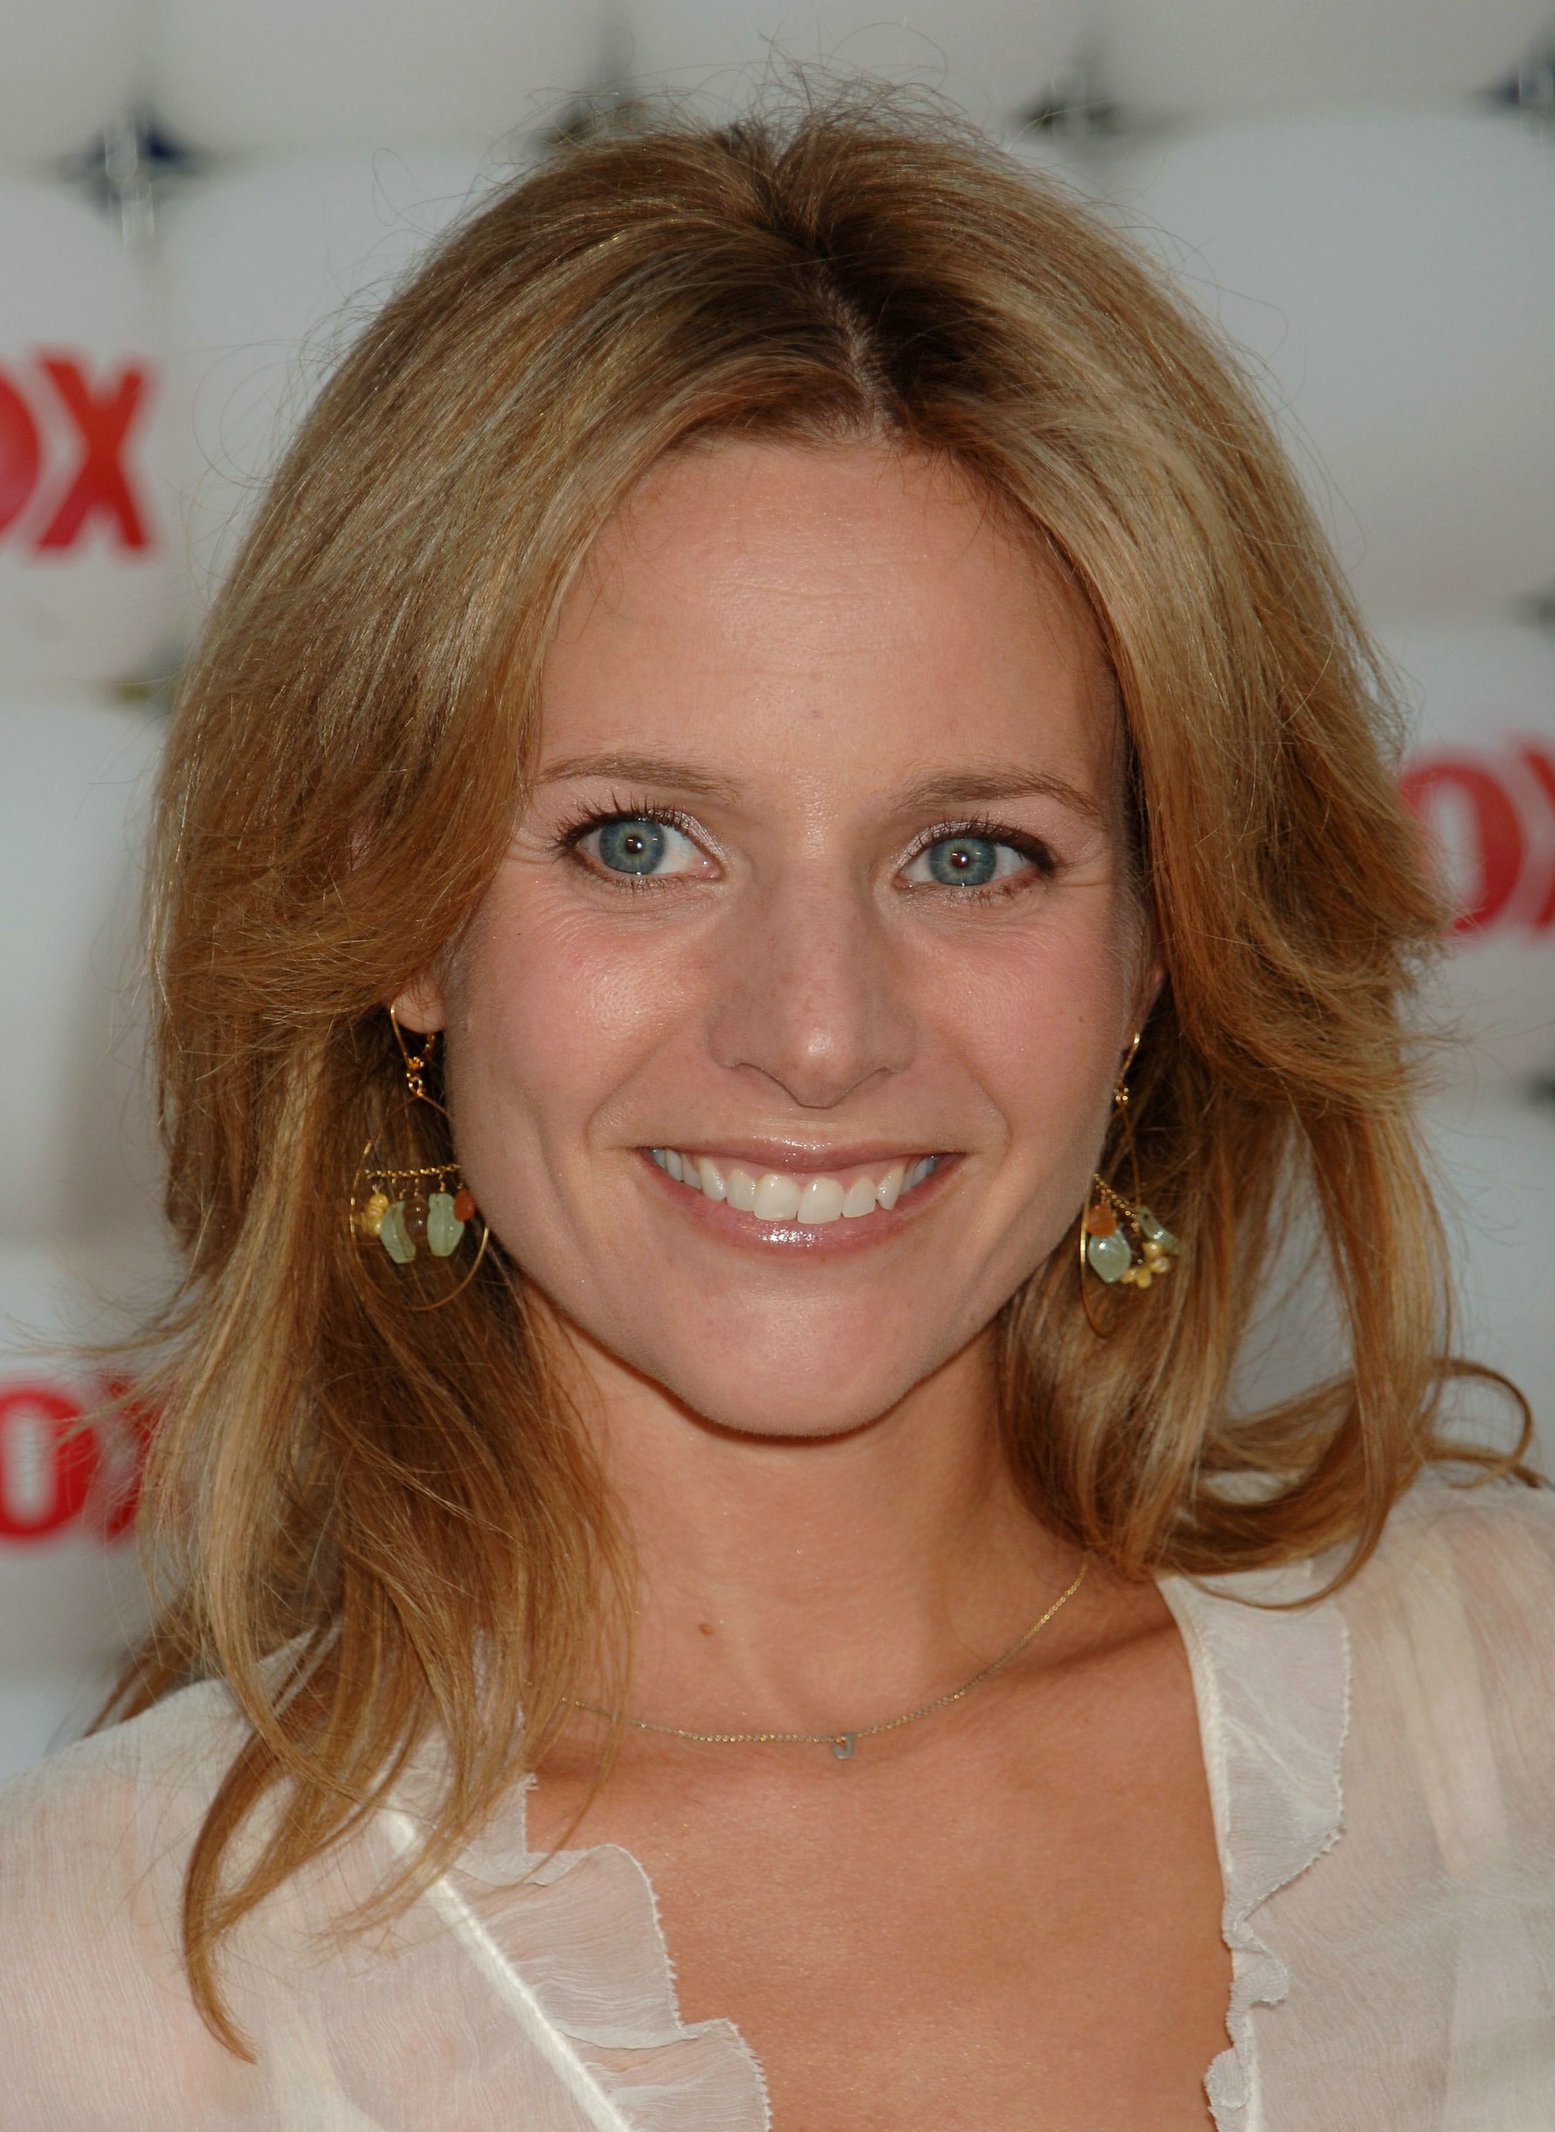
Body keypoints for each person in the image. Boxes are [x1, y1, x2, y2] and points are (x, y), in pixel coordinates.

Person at [1, 87, 1551, 2132]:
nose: (817, 1034)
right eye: (639, 842)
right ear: (399, 913)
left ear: (1159, 947)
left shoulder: (1515, 1712)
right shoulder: (105, 1982)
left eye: (973, 856)